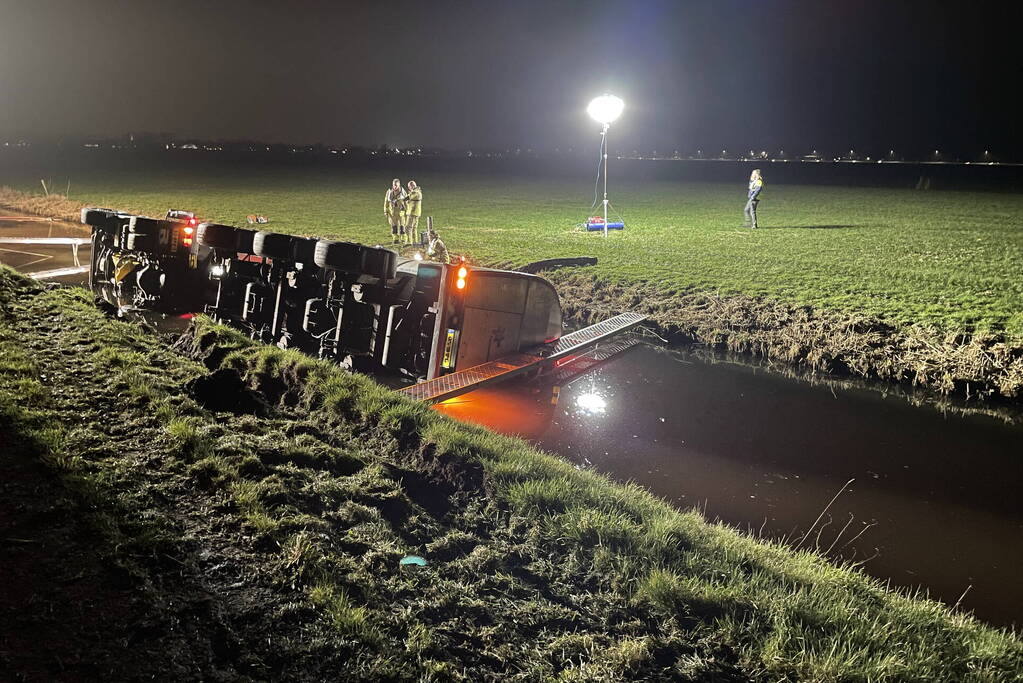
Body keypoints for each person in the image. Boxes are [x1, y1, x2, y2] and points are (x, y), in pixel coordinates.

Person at [384, 178, 407, 244]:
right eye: (394, 185)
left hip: (401, 212)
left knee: (402, 227)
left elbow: (406, 201)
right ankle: (395, 239)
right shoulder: (389, 192)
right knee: (394, 227)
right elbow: (386, 202)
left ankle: (403, 239)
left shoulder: (403, 192)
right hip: (392, 213)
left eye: (396, 185)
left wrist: (407, 211)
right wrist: (385, 211)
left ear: (399, 185)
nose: (395, 187)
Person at [404, 180, 423, 245]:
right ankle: (415, 242)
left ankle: (409, 242)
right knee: (413, 228)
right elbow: (409, 197)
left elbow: (412, 197)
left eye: (409, 186)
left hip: (413, 213)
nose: (409, 188)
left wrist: (407, 198)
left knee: (407, 228)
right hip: (413, 212)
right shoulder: (415, 192)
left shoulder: (417, 192)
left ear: (411, 186)